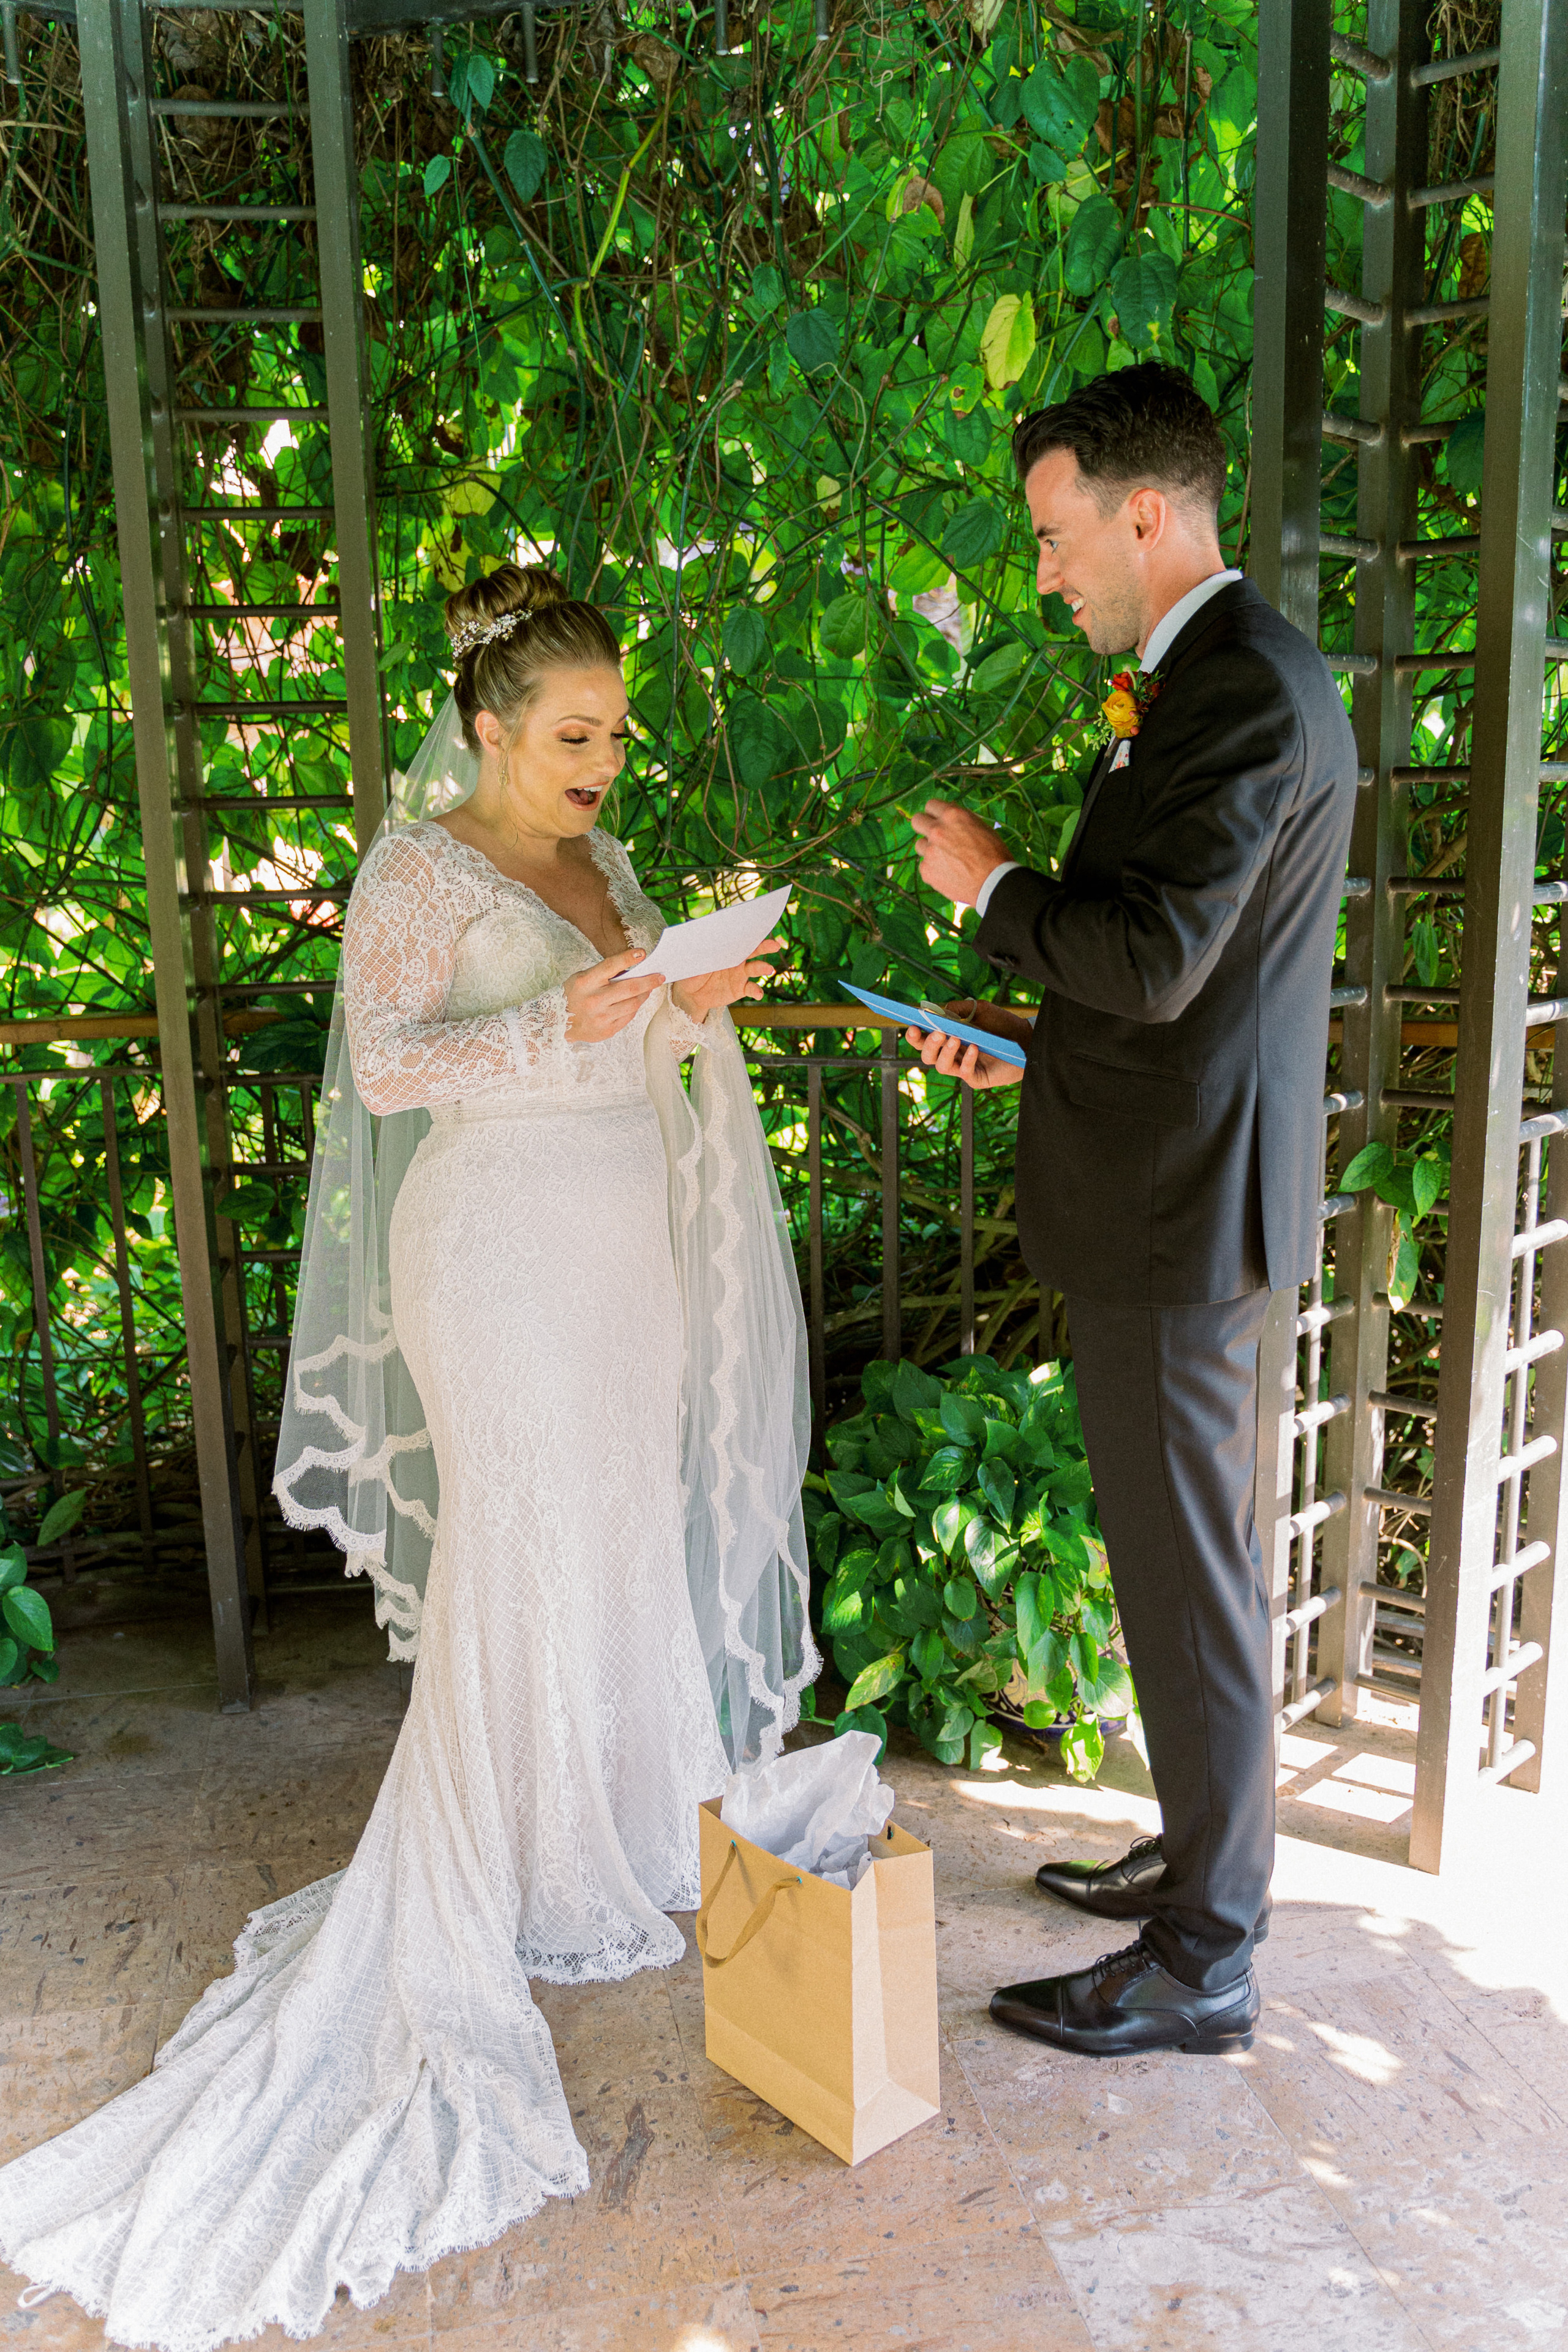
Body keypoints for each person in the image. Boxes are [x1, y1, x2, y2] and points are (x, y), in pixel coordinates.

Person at [0, 565, 818, 2348]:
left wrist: (697, 993)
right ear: (492, 729)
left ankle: (614, 1822)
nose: (608, 757)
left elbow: (652, 1032)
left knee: (612, 1524)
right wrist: (560, 1025)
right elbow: (383, 1069)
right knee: (525, 1530)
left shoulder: (607, 871)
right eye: (577, 731)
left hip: (621, 1248)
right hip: (496, 1250)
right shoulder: (420, 869)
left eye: (618, 728)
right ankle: (503, 1866)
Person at [911, 363, 1357, 2059]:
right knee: (1189, 1570)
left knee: (1191, 1583)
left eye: (1052, 533)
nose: (1044, 573)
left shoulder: (1242, 692)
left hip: (1181, 1221)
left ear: (1144, 513)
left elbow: (1158, 959)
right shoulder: (1213, 687)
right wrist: (1030, 1053)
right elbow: (1190, 977)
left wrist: (999, 891)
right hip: (1170, 1177)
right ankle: (1200, 1853)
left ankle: (1209, 1955)